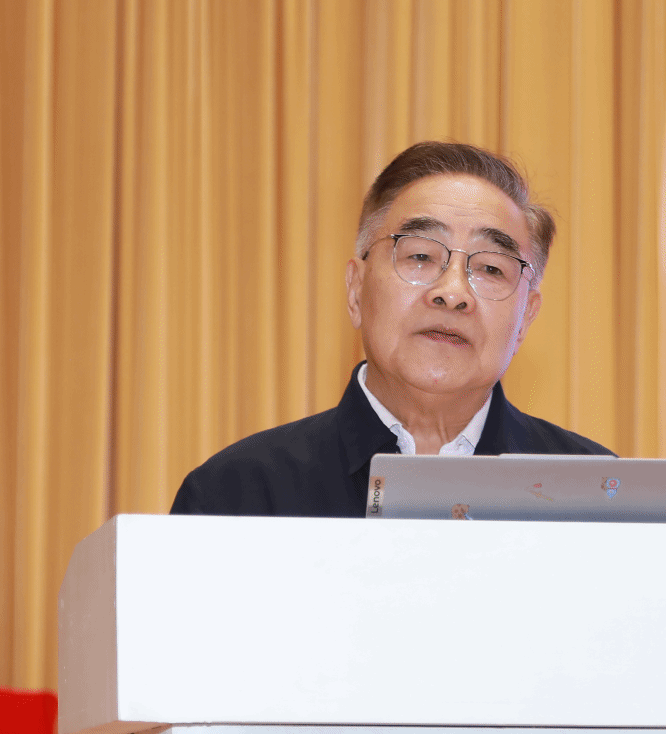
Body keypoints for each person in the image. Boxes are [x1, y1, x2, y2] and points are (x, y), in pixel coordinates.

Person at [170, 141, 613, 518]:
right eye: (420, 256)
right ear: (356, 289)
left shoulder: (598, 500)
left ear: (526, 318)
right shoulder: (238, 495)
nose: (452, 293)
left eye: (491, 268)